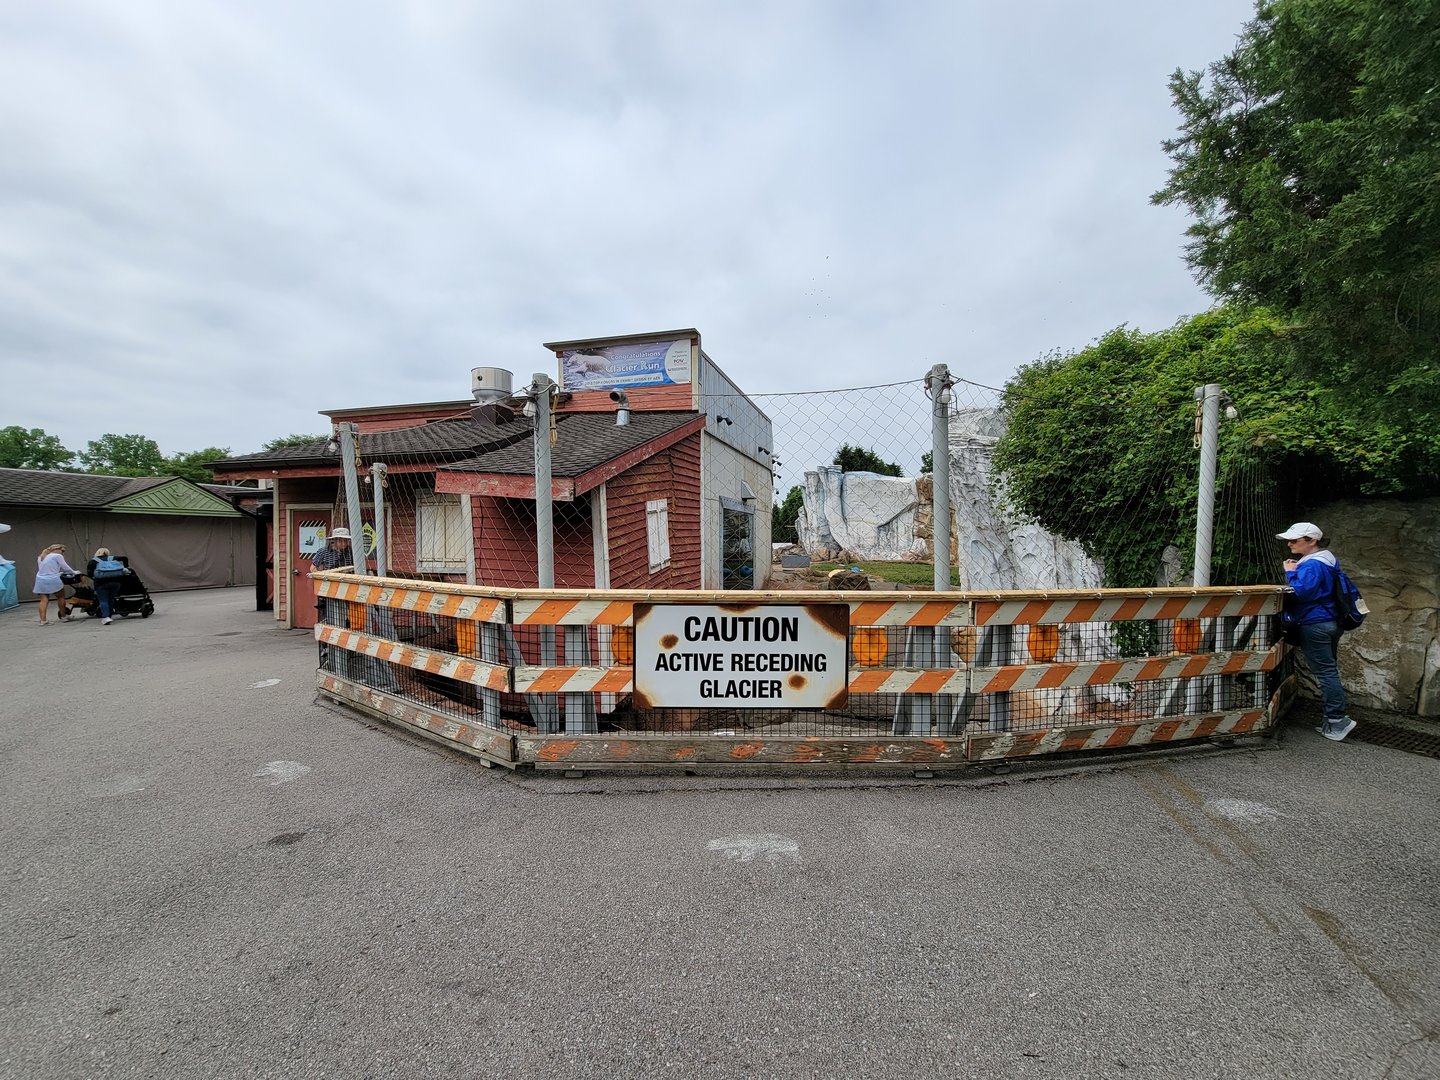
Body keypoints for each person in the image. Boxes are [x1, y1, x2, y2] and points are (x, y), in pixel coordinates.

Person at [1279, 522, 1355, 742]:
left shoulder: (1313, 564)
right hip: (1329, 622)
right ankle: (1332, 721)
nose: (1289, 544)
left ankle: (1337, 721)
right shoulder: (1327, 559)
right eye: (1289, 540)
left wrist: (1290, 573)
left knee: (1326, 673)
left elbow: (1301, 592)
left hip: (1315, 623)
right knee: (1329, 670)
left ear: (1312, 541)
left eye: (1295, 540)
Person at [33, 544, 77, 625]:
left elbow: (44, 569)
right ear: (57, 549)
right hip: (52, 578)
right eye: (62, 551)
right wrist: (74, 572)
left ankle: (43, 620)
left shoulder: (41, 557)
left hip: (40, 579)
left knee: (43, 600)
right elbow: (65, 567)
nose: (63, 553)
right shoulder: (57, 556)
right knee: (61, 597)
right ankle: (63, 616)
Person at [86, 547, 131, 627]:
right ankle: (109, 615)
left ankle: (106, 617)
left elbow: (89, 574)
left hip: (101, 583)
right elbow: (124, 558)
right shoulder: (112, 558)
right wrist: (126, 567)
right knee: (111, 599)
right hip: (116, 582)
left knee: (103, 600)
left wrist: (94, 578)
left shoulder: (93, 561)